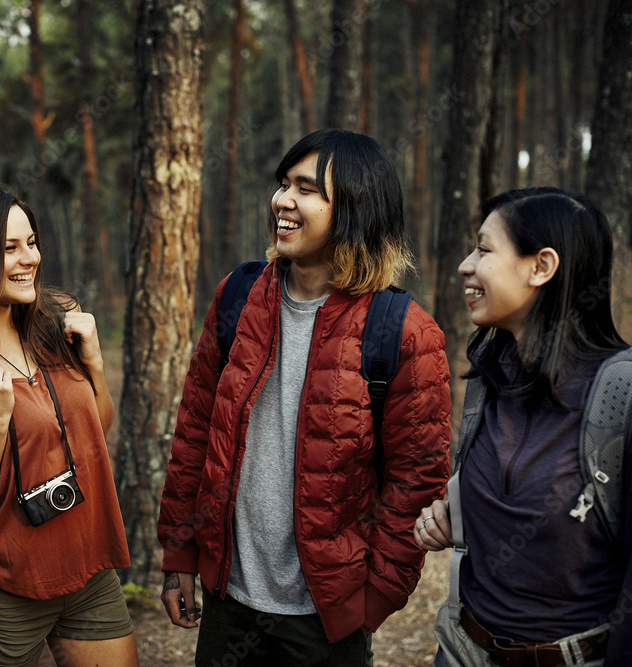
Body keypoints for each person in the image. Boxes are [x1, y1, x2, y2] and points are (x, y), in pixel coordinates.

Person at [157, 128, 453, 666]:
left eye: (307, 189)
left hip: (326, 620)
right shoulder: (237, 298)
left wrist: (371, 600)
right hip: (229, 601)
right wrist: (180, 551)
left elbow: (417, 479)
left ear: (356, 209)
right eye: (283, 184)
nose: (282, 201)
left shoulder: (403, 332)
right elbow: (196, 433)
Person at [0, 183, 138, 667]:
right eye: (9, 249)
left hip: (90, 570)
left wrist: (94, 366)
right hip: (2, 589)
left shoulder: (57, 323)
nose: (28, 258)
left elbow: (94, 433)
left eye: (30, 243)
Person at [415, 187, 632, 666]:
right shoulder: (489, 375)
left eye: (484, 249)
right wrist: (462, 515)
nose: (465, 266)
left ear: (541, 266)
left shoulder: (622, 397)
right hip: (461, 650)